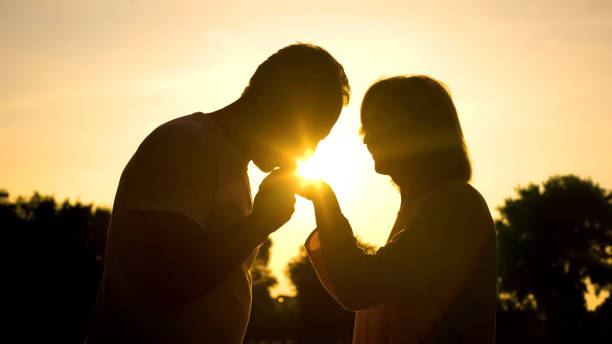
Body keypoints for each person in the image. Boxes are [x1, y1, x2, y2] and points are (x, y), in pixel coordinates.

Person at [86, 43, 350, 344]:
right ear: (277, 104)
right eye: (311, 134)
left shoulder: (228, 163)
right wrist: (260, 222)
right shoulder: (185, 144)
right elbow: (168, 279)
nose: (308, 152)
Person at [298, 76, 497, 343]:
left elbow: (358, 285)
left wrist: (324, 202)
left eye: (381, 120)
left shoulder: (455, 204)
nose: (367, 138)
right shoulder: (425, 207)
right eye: (364, 127)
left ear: (421, 127)